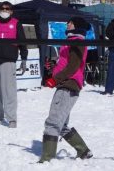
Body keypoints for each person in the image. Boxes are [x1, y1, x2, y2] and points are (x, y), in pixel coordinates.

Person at [39, 17, 92, 163]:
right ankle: (84, 151)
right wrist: (54, 66)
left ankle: (47, 158)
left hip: (68, 85)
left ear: (77, 26)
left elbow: (73, 66)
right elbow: (66, 62)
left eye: (70, 22)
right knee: (61, 125)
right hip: (66, 84)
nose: (67, 24)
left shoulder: (77, 41)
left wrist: (55, 79)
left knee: (53, 122)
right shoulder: (71, 40)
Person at [102, 13, 114, 95]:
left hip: (113, 49)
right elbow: (108, 33)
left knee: (111, 70)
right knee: (111, 71)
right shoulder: (113, 23)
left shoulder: (112, 23)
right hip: (113, 49)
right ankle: (108, 90)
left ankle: (108, 90)